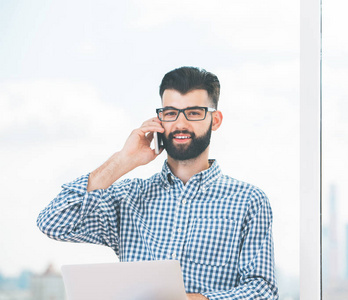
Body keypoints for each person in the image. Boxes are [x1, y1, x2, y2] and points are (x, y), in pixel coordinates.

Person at [37, 66, 278, 299]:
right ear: (159, 120)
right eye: (171, 113)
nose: (181, 124)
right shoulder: (129, 198)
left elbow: (262, 291)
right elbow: (53, 223)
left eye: (194, 113)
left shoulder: (248, 200)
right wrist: (122, 160)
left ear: (215, 120)